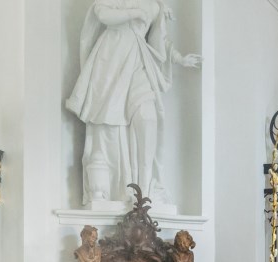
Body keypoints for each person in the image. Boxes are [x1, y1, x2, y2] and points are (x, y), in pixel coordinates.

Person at [65, 0, 201, 206]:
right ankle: (115, 188)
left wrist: (179, 58)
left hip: (139, 60)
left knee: (147, 117)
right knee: (108, 123)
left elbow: (158, 40)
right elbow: (102, 13)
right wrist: (133, 12)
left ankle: (144, 196)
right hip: (111, 59)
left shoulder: (156, 6)